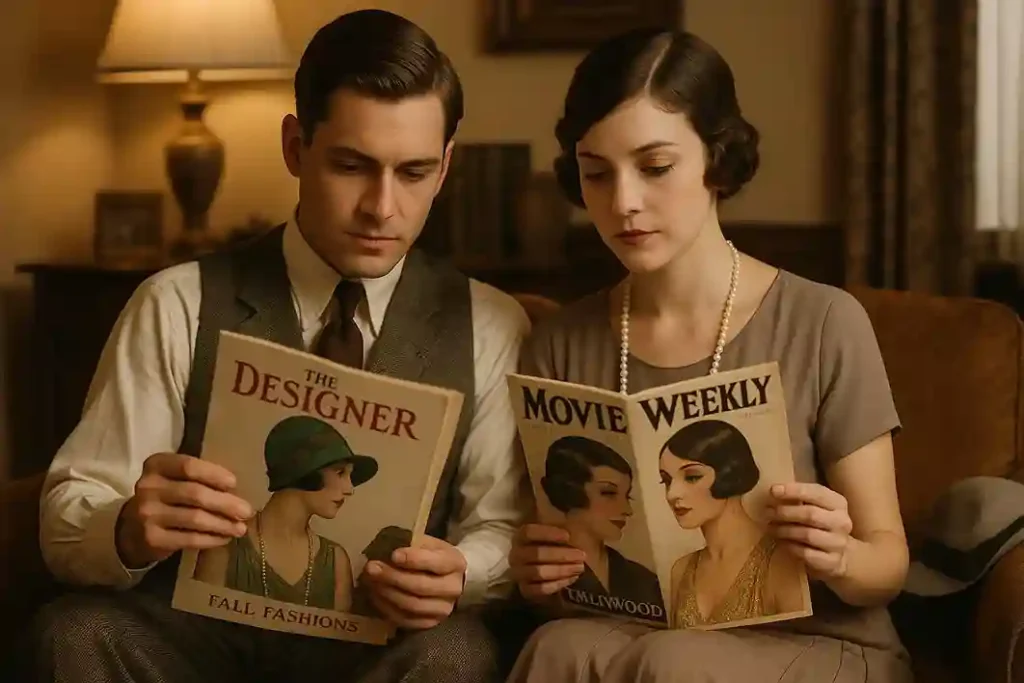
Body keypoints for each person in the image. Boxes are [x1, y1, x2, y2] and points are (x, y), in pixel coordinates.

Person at [29, 9, 533, 683]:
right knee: (74, 632)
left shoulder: (492, 323)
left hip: (380, 642)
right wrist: (126, 526)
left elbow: (500, 525)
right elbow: (69, 514)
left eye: (413, 173)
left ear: (445, 167)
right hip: (194, 634)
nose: (382, 208)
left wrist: (464, 571)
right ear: (296, 147)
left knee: (458, 652)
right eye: (352, 166)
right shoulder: (175, 300)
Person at [506, 26, 912, 683]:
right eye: (596, 173)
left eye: (655, 166)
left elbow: (886, 565)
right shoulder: (558, 342)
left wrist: (839, 554)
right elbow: (558, 587)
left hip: (819, 639)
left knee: (673, 662)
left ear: (717, 162)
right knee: (555, 647)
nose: (623, 202)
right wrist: (539, 574)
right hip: (643, 634)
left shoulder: (825, 322)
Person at [192, 415, 380, 613]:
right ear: (304, 471)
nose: (350, 489)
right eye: (340, 473)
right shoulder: (227, 544)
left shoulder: (335, 559)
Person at [658, 419, 805, 629]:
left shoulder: (780, 562)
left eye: (691, 477)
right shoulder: (681, 570)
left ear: (729, 473)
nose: (672, 494)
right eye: (667, 481)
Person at [539, 435, 663, 615]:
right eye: (608, 493)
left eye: (627, 496)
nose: (627, 510)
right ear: (570, 490)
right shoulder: (539, 567)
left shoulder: (644, 580)